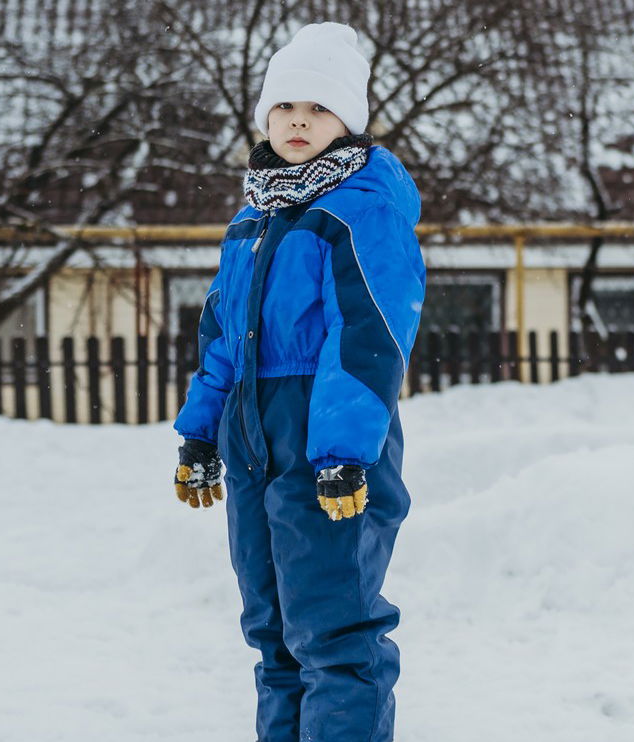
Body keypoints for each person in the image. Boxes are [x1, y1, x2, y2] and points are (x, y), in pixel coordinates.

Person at [169, 22, 425, 742]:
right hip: (252, 437)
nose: (299, 121)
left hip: (326, 431)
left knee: (334, 631)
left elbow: (369, 336)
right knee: (274, 632)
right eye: (285, 107)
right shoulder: (253, 220)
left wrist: (343, 450)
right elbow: (223, 337)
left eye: (318, 108)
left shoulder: (359, 210)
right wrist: (199, 432)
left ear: (347, 120)